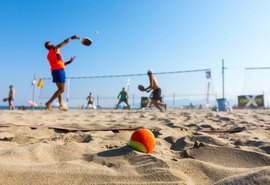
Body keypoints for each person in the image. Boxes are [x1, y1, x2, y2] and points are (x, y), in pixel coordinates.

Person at [44, 35, 79, 111]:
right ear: (49, 46)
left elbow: (61, 63)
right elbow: (64, 42)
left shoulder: (50, 54)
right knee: (62, 90)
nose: (52, 43)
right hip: (59, 71)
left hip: (54, 71)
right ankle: (48, 103)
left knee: (59, 90)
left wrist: (70, 61)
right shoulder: (54, 49)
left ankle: (61, 105)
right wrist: (72, 37)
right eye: (50, 43)